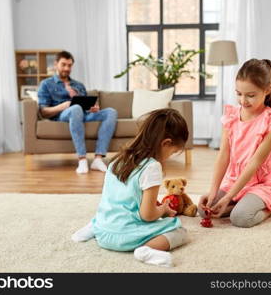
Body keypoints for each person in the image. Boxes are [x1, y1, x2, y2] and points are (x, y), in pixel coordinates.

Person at [72, 109, 189, 267]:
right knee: (180, 231)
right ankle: (146, 250)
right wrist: (163, 210)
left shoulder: (118, 159)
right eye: (173, 152)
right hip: (123, 237)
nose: (171, 156)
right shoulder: (152, 167)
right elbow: (147, 215)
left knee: (111, 211)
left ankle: (92, 227)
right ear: (166, 143)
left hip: (103, 232)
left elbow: (120, 198)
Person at [198, 58, 271, 228]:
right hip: (234, 180)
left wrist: (226, 197)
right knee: (204, 209)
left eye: (250, 95)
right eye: (239, 93)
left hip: (261, 183)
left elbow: (254, 163)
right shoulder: (231, 117)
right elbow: (223, 155)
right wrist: (213, 193)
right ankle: (235, 204)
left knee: (240, 219)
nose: (243, 100)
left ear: (267, 90)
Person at [37, 51, 118, 174]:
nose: (66, 68)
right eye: (63, 64)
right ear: (55, 64)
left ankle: (98, 159)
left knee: (111, 112)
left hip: (83, 114)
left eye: (69, 65)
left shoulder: (78, 85)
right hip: (62, 114)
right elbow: (43, 112)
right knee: (75, 109)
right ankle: (82, 159)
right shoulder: (46, 84)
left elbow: (84, 106)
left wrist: (91, 108)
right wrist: (62, 106)